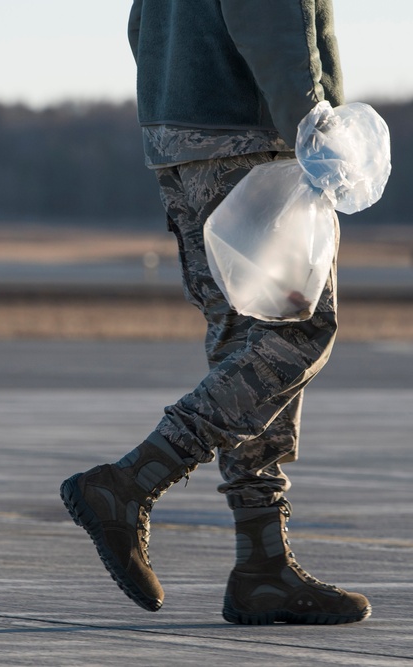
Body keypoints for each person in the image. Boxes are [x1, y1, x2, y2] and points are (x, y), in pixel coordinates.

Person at [59, 0, 371, 625]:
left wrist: (175, 111)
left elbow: (142, 27)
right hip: (251, 137)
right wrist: (308, 125)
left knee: (243, 345)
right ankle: (129, 482)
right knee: (295, 332)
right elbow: (270, 16)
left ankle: (262, 566)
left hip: (184, 137)